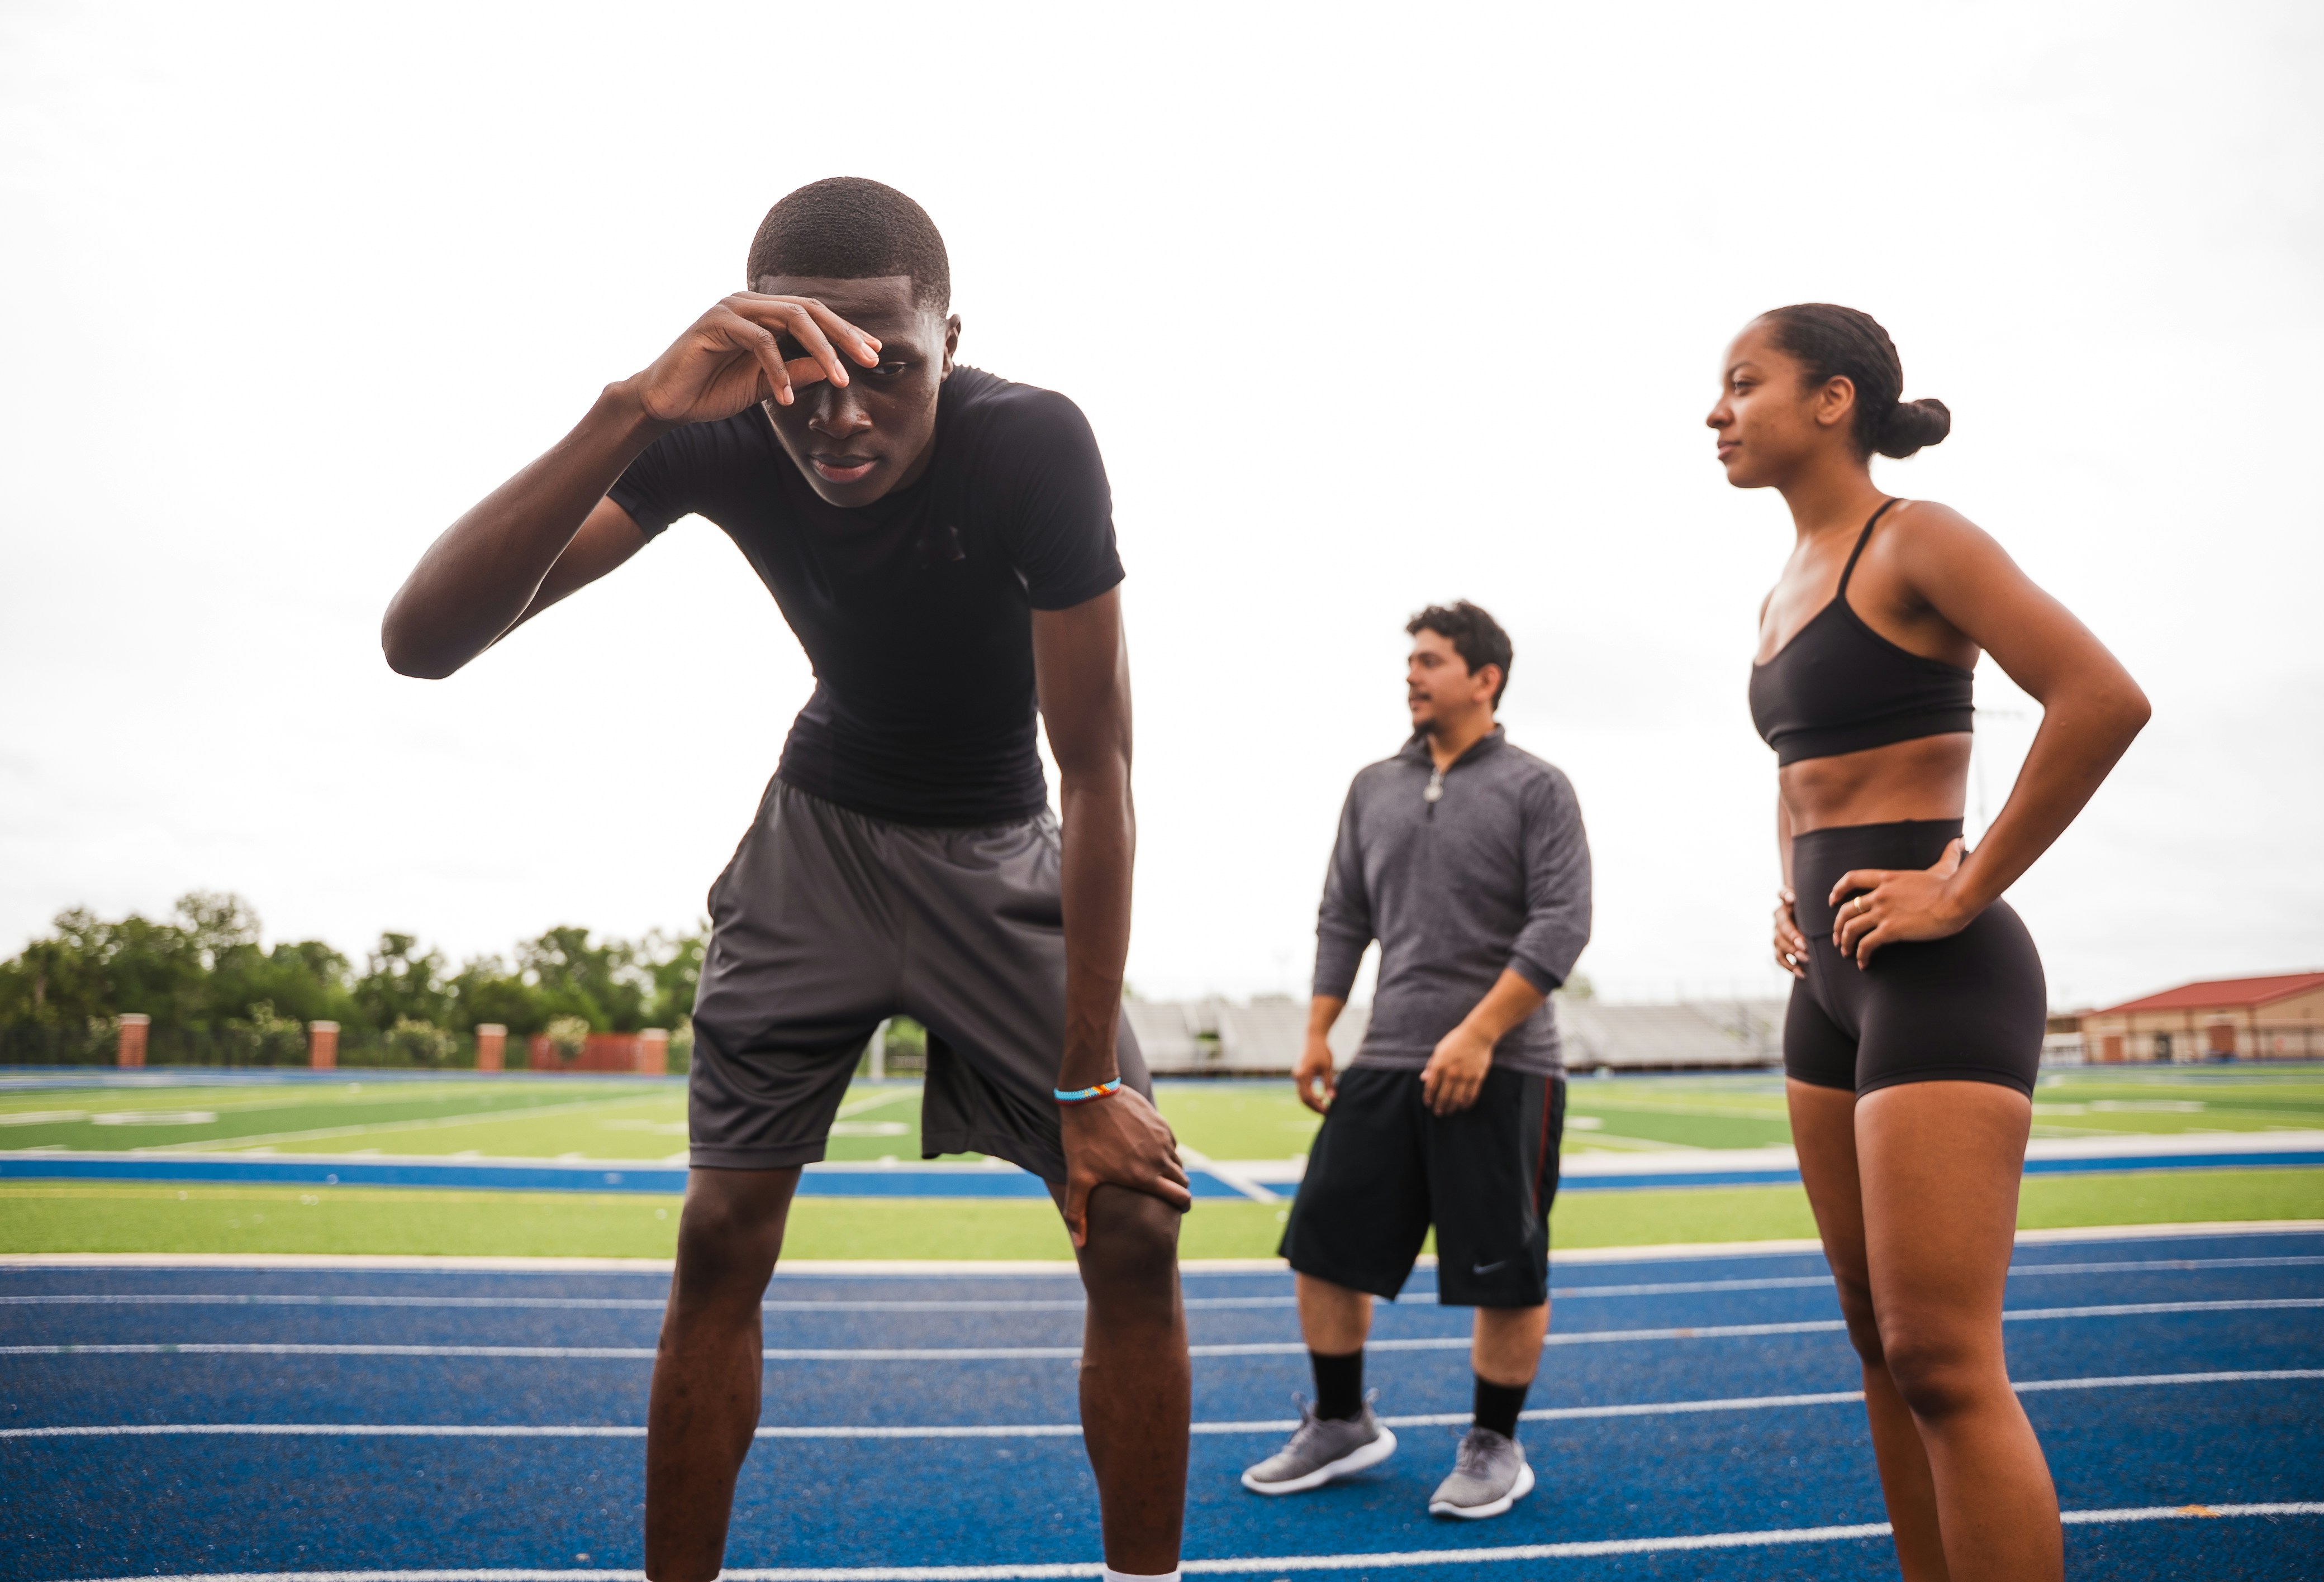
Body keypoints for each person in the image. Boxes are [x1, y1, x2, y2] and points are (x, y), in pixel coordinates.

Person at [381, 178, 1194, 1582]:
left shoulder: (1030, 443)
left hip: (1002, 845)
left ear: (953, 337)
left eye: (888, 365)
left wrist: (1082, 1089)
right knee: (717, 1234)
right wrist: (634, 406)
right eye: (799, 372)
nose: (841, 411)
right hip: (817, 838)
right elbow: (422, 641)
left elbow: (1098, 769)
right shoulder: (717, 438)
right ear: (755, 351)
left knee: (1130, 1221)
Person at [1712, 304, 2150, 1580]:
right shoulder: (1780, 585)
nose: (1715, 411)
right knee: (1874, 1350)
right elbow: (1800, 769)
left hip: (1938, 974)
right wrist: (1785, 890)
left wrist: (1959, 890)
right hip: (1828, 986)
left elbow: (2101, 698)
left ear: (1833, 400)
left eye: (1743, 383)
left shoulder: (1919, 540)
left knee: (1943, 1362)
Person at [1243, 602, 1591, 1521]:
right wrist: (1320, 1030)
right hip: (1385, 1055)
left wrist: (1479, 1033)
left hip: (1507, 1065)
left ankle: (1494, 1444)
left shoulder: (1537, 787)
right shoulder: (1372, 787)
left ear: (1486, 679)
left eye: (1431, 661)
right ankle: (1342, 1421)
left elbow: (1562, 923)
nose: (1413, 675)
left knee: (1503, 1269)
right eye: (1411, 663)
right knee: (1321, 1245)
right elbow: (1343, 916)